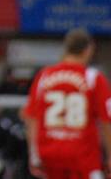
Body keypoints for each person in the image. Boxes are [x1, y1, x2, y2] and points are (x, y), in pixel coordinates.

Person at [23, 28, 111, 179]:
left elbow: (31, 118)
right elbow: (106, 121)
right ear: (88, 49)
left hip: (49, 158)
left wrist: (33, 155)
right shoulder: (93, 78)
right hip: (83, 158)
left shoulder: (44, 76)